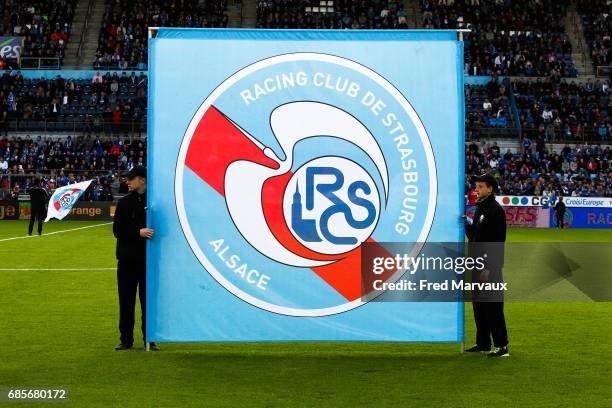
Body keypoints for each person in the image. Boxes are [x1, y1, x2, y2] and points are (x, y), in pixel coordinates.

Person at [112, 166, 158, 351]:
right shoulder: (123, 203)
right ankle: (126, 339)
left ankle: (150, 339)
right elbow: (117, 230)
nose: (128, 181)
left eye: (131, 178)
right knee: (126, 301)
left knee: (149, 303)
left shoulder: (155, 202)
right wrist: (138, 232)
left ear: (142, 180)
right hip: (127, 261)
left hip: (148, 261)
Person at [464, 173, 509, 358]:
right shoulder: (481, 208)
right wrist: (466, 224)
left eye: (481, 186)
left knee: (493, 305)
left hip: (488, 266)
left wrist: (487, 267)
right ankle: (483, 343)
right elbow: (475, 236)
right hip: (476, 263)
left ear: (490, 188)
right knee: (479, 305)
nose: (477, 189)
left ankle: (502, 346)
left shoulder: (495, 210)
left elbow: (497, 241)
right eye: (477, 186)